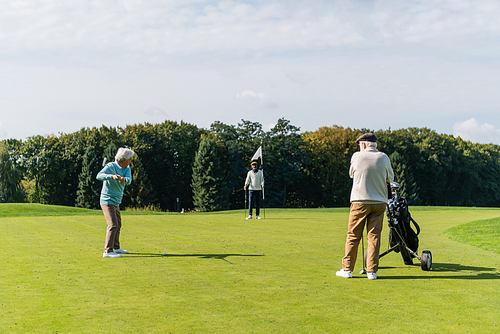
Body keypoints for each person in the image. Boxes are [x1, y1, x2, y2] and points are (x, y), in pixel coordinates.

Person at [336, 133, 394, 280]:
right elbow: (390, 178)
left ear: (363, 145)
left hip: (359, 201)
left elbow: (351, 174)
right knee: (374, 236)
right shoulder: (384, 157)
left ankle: (347, 269)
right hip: (379, 202)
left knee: (353, 235)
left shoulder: (357, 156)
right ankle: (372, 272)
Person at [97, 147, 135, 258]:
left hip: (117, 201)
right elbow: (99, 176)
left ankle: (116, 247)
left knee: (118, 225)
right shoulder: (111, 166)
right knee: (112, 224)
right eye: (129, 159)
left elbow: (129, 180)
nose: (130, 161)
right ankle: (108, 251)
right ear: (123, 159)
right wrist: (112, 177)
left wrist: (123, 179)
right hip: (107, 200)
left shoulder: (127, 168)